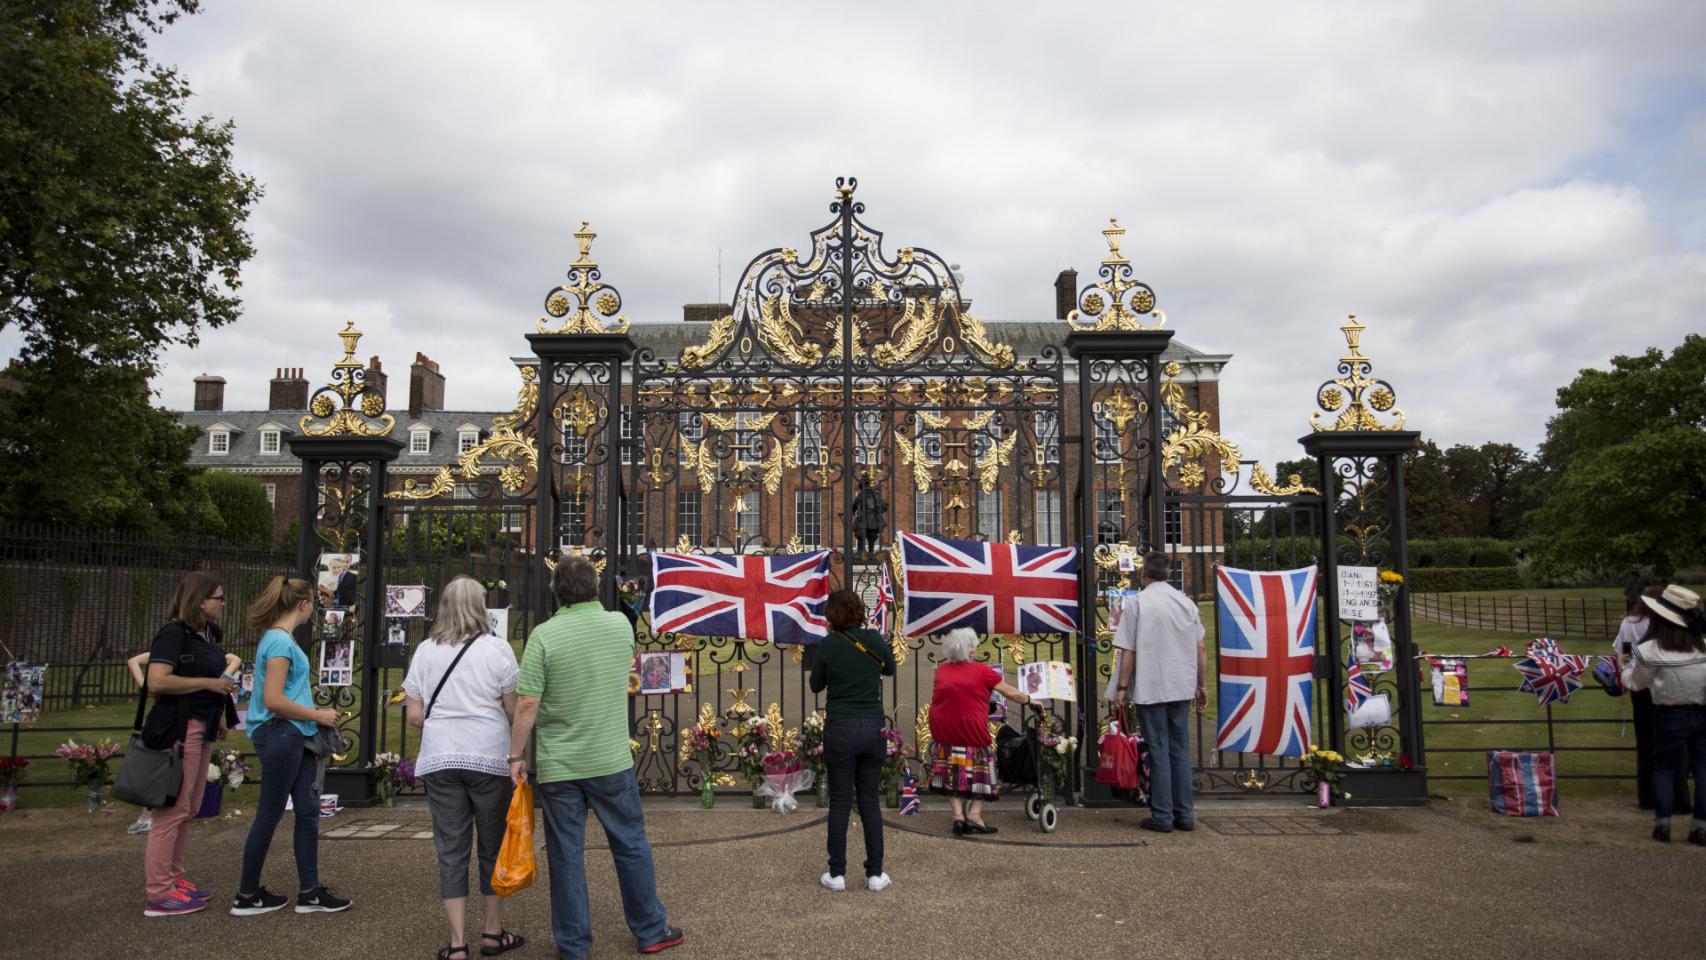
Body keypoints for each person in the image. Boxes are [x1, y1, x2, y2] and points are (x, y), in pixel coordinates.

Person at [507, 556, 682, 958]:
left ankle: (574, 945)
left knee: (567, 855)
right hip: (609, 757)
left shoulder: (544, 635)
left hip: (560, 762)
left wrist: (516, 754)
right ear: (595, 587)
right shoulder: (619, 625)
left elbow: (528, 703)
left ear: (556, 592)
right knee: (631, 843)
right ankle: (651, 929)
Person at [403, 576, 525, 960]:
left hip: (440, 757)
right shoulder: (497, 649)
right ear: (480, 606)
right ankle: (492, 931)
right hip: (487, 756)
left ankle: (457, 942)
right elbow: (511, 708)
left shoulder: (424, 651)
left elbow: (414, 716)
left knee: (451, 849)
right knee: (491, 845)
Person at [232, 576, 351, 917]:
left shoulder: (276, 639)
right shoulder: (281, 644)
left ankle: (309, 890)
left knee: (308, 811)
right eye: (312, 602)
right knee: (270, 813)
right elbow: (273, 699)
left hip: (292, 733)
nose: (313, 608)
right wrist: (320, 715)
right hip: (281, 732)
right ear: (302, 605)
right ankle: (247, 892)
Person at [139, 573, 241, 917]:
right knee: (171, 809)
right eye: (218, 598)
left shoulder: (207, 635)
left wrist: (221, 716)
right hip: (180, 729)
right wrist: (208, 684)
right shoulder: (173, 635)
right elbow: (157, 681)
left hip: (205, 725)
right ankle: (158, 892)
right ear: (200, 600)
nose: (222, 603)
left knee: (189, 807)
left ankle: (175, 877)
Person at [808, 589, 896, 891]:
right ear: (859, 610)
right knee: (870, 801)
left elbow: (816, 685)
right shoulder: (872, 639)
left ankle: (837, 873)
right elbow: (891, 668)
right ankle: (875, 874)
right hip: (872, 724)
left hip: (841, 725)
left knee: (841, 802)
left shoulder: (829, 644)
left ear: (831, 616)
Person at [1114, 552, 1206, 833]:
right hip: (1181, 685)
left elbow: (1128, 651)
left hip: (1152, 685)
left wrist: (1121, 686)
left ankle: (1163, 816)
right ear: (1168, 573)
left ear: (1145, 574)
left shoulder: (1138, 603)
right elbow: (1200, 649)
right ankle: (1185, 815)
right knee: (1180, 749)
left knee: (1158, 749)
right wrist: (1201, 685)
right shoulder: (1186, 603)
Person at [927, 627, 1040, 836]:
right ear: (970, 650)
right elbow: (1009, 692)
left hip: (944, 729)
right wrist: (1032, 700)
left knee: (952, 773)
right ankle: (975, 816)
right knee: (980, 773)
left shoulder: (941, 670)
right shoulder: (981, 671)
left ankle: (958, 817)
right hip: (971, 730)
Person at [1621, 585, 1706, 845]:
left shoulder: (1651, 650)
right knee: (1703, 769)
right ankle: (1700, 826)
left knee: (1664, 768)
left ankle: (1663, 824)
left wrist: (1623, 672)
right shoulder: (1703, 647)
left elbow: (1636, 683)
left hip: (1668, 712)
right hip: (1702, 712)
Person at [125, 647, 241, 836]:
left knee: (163, 769)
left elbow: (133, 662)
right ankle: (148, 817)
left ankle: (147, 816)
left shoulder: (177, 656)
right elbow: (235, 659)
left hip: (170, 714)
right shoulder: (177, 653)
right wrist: (146, 686)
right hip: (173, 716)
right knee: (164, 768)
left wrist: (145, 686)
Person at [1615, 586, 1689, 812]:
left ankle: (1647, 796)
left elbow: (1621, 650)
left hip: (1640, 684)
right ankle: (1678, 798)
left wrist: (1622, 665)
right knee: (1677, 743)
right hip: (1668, 684)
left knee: (1646, 742)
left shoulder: (1630, 623)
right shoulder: (1672, 625)